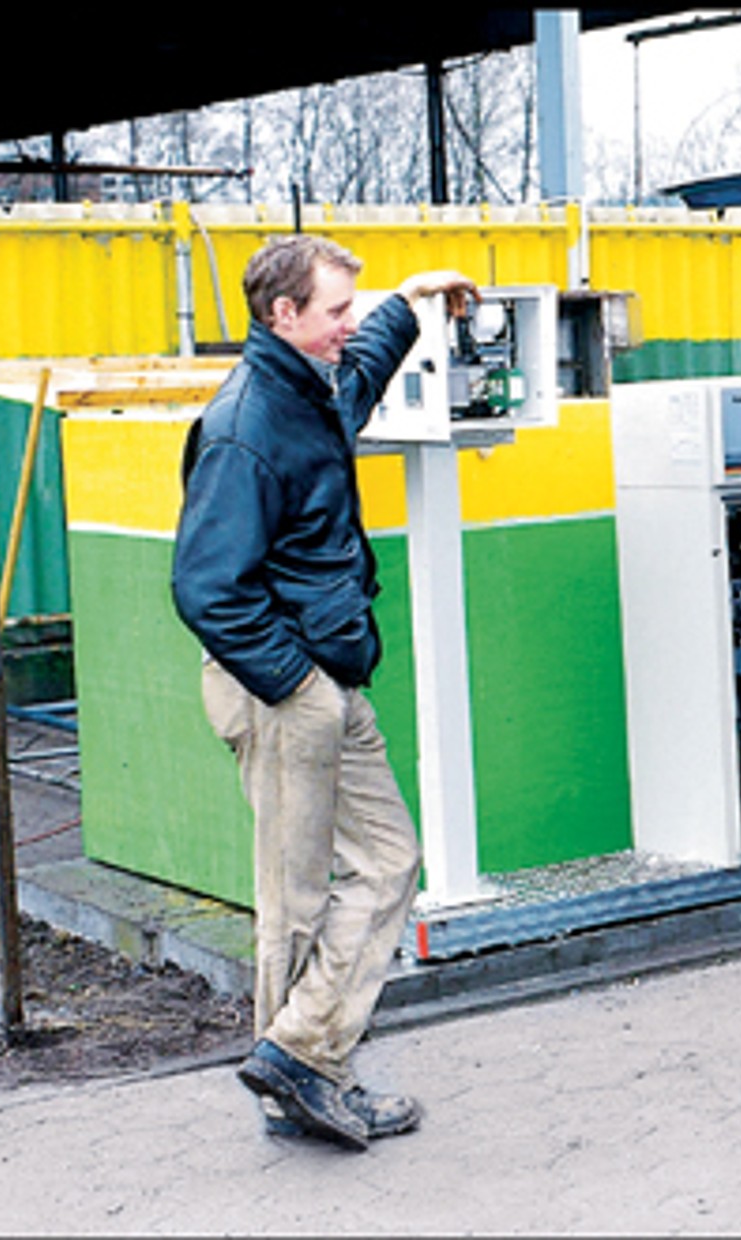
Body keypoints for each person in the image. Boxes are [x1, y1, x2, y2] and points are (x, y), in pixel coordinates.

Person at [172, 234, 479, 1151]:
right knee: (296, 898)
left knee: (388, 862)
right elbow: (206, 587)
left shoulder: (313, 385)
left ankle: (300, 1055)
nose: (351, 323)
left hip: (328, 674)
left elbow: (365, 373)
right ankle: (301, 1085)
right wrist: (297, 683)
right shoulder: (246, 426)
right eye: (338, 309)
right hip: (282, 685)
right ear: (285, 317)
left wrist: (410, 304)